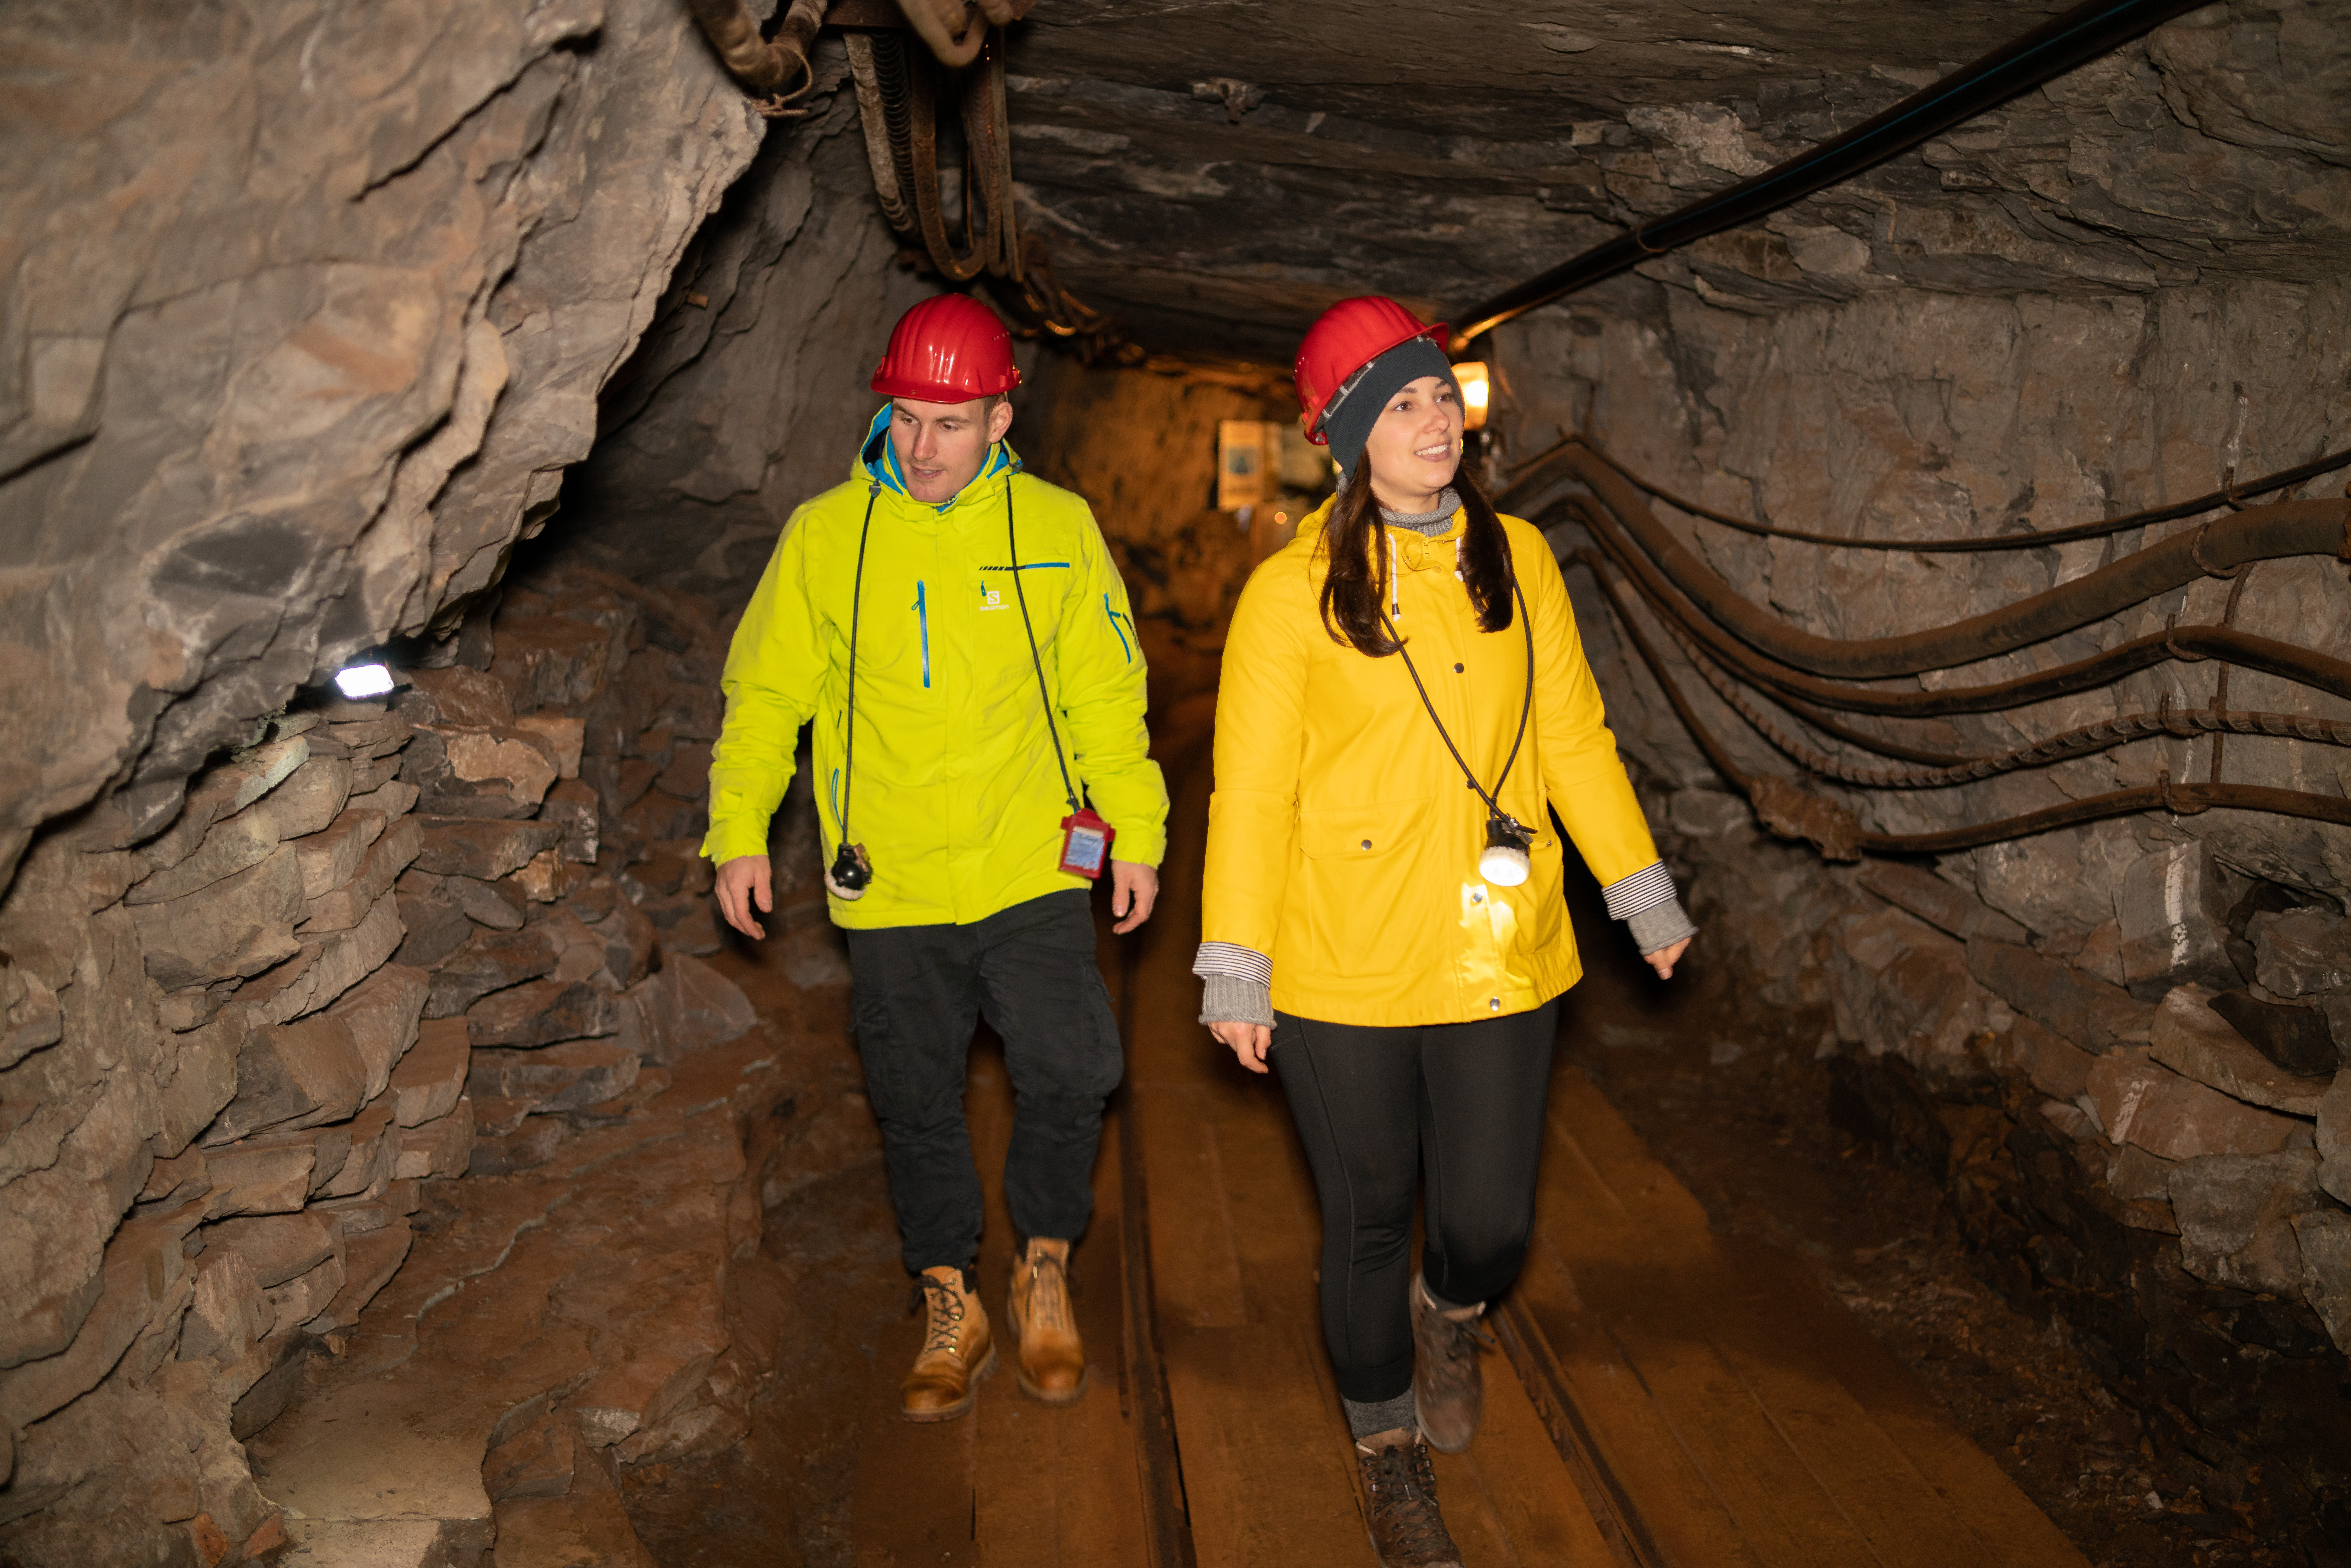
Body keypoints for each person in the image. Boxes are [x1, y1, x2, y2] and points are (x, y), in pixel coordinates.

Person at [1195, 297, 1695, 1567]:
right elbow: (1249, 793)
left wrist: (1637, 889)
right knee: (1365, 1216)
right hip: (1337, 959)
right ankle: (1384, 1449)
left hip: (1494, 941)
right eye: (1400, 403)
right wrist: (1232, 966)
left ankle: (1451, 1311)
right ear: (1346, 435)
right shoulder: (1287, 596)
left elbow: (1570, 735)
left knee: (1489, 1221)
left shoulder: (1517, 559)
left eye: (1440, 398)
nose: (1433, 421)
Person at [705, 293, 1168, 1422]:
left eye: (952, 423)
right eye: (908, 418)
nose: (923, 447)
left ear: (1001, 418)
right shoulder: (826, 536)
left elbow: (1107, 696)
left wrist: (1135, 833)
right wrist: (739, 832)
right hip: (894, 877)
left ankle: (1044, 1261)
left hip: (1029, 865)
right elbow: (767, 698)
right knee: (914, 1096)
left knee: (1072, 1071)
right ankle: (949, 1297)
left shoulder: (1058, 529)